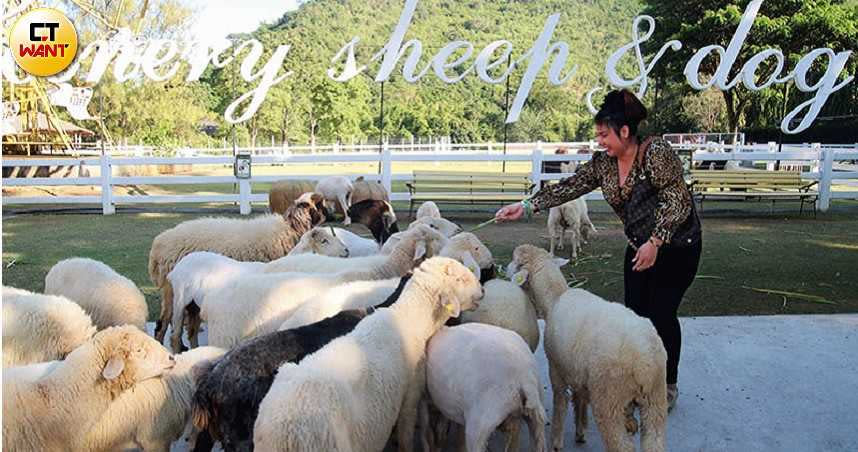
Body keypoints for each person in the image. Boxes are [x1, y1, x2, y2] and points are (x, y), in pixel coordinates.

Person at [495, 89, 702, 411]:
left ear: (624, 130)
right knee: (634, 316)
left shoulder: (656, 152)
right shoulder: (603, 164)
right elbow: (571, 186)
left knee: (661, 314)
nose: (600, 141)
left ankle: (665, 385)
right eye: (598, 135)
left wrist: (656, 241)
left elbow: (677, 199)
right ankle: (636, 380)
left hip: (677, 246)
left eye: (604, 134)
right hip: (639, 247)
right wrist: (526, 205)